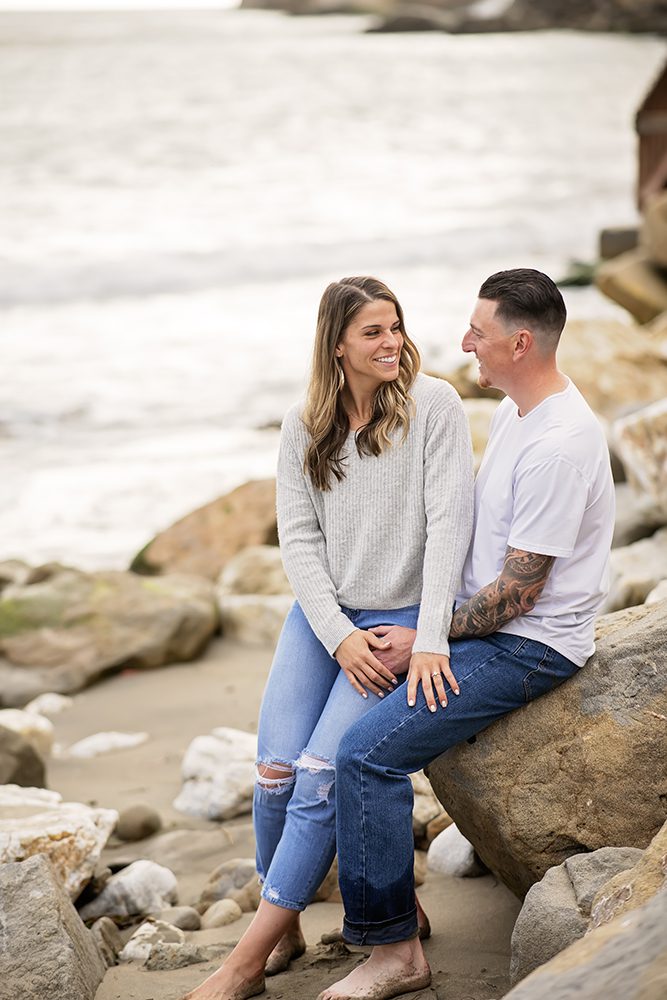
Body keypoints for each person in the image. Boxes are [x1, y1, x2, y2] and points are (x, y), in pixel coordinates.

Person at [319, 268, 616, 1000]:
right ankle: (391, 911)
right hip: (480, 626)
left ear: (519, 342)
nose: (462, 344)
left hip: (529, 646)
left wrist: (427, 637)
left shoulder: (559, 444)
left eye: (477, 334)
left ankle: (393, 953)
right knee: (328, 735)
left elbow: (518, 592)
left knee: (366, 757)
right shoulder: (518, 411)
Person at [183, 276, 474, 1000]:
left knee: (319, 774)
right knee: (275, 770)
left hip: (401, 621)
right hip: (324, 620)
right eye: (373, 331)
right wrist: (337, 634)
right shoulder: (302, 423)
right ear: (337, 343)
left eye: (396, 327)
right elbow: (300, 542)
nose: (391, 342)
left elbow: (448, 532)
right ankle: (284, 925)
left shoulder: (433, 404)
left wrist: (430, 637)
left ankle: (243, 963)